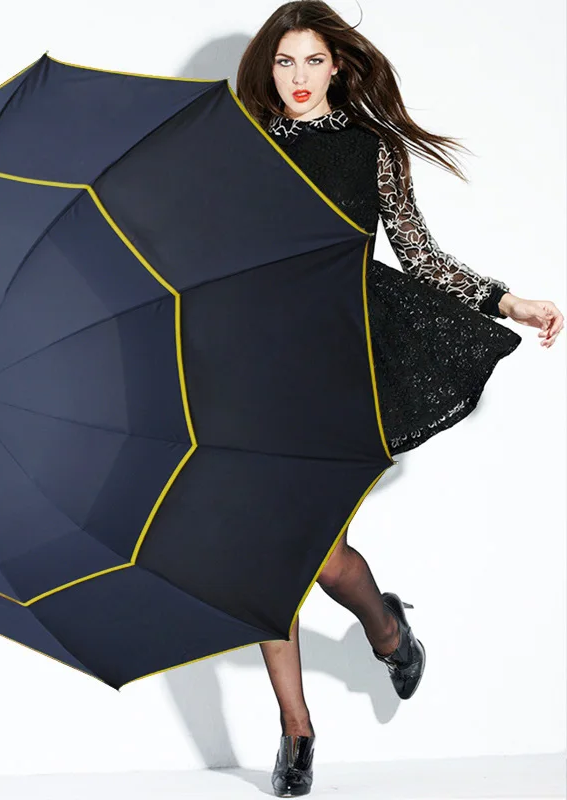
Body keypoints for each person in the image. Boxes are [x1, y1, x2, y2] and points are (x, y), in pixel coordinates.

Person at [234, 1, 563, 795]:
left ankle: (387, 630)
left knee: (321, 560)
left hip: (343, 367)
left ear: (338, 66)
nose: (299, 77)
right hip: (254, 367)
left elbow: (418, 252)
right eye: (285, 61)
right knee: (266, 561)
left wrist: (508, 300)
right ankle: (297, 731)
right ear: (267, 67)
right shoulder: (240, 149)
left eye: (314, 60)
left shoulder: (371, 148)